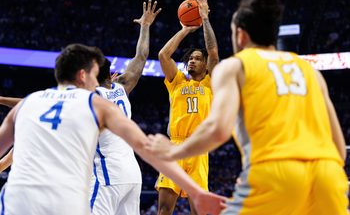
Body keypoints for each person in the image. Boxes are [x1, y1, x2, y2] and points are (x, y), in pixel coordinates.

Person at [147, 0, 349, 215]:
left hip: (275, 170)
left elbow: (218, 130)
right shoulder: (308, 70)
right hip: (328, 175)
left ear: (240, 36)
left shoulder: (236, 66)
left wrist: (172, 153)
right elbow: (339, 147)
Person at [0, 43, 227, 215]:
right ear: (83, 75)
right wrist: (195, 191)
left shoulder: (32, 103)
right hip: (105, 182)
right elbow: (145, 147)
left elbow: (9, 154)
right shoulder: (96, 100)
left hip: (19, 197)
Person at [90, 0, 161, 215]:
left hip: (108, 174)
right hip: (132, 173)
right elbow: (141, 56)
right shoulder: (121, 87)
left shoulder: (91, 96)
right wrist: (146, 26)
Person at [156, 0, 219, 215]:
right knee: (164, 210)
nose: (192, 60)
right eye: (190, 58)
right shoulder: (177, 82)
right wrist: (185, 29)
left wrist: (204, 19)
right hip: (175, 146)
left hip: (199, 149)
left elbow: (212, 51)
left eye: (197, 58)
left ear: (205, 66)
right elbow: (163, 54)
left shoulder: (211, 83)